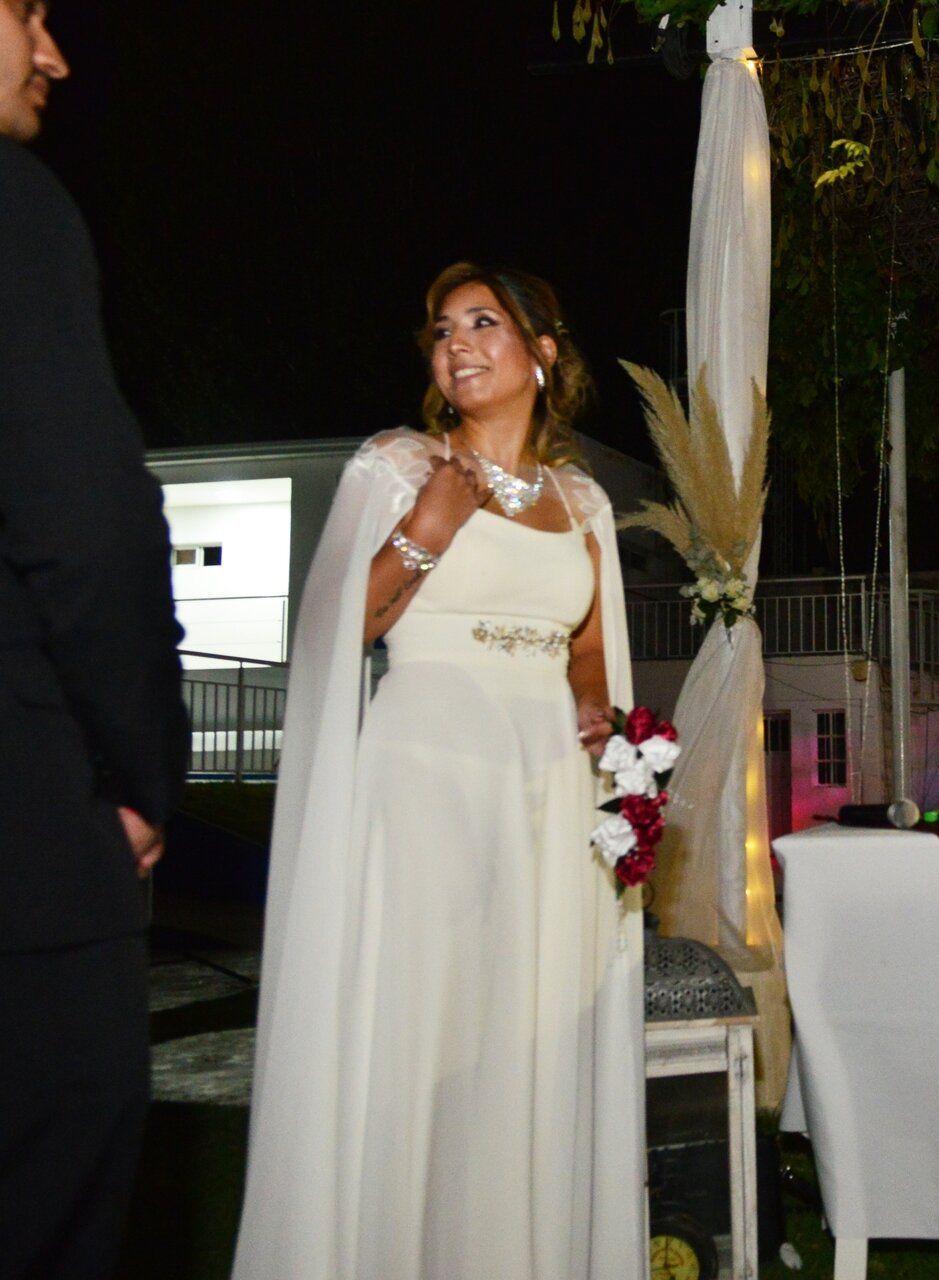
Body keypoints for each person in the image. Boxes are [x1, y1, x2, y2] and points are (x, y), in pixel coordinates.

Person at [232, 264, 645, 1278]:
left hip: (546, 788)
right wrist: (427, 529)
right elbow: (336, 627)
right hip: (426, 773)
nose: (456, 345)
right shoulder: (397, 464)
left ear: (543, 352)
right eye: (442, 330)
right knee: (430, 1021)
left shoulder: (583, 499)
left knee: (527, 1028)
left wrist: (602, 725)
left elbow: (591, 649)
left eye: (483, 323)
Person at [0, 7, 189, 1278]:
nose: (53, 54)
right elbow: (85, 522)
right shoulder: (13, 207)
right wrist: (137, 771)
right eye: (28, 11)